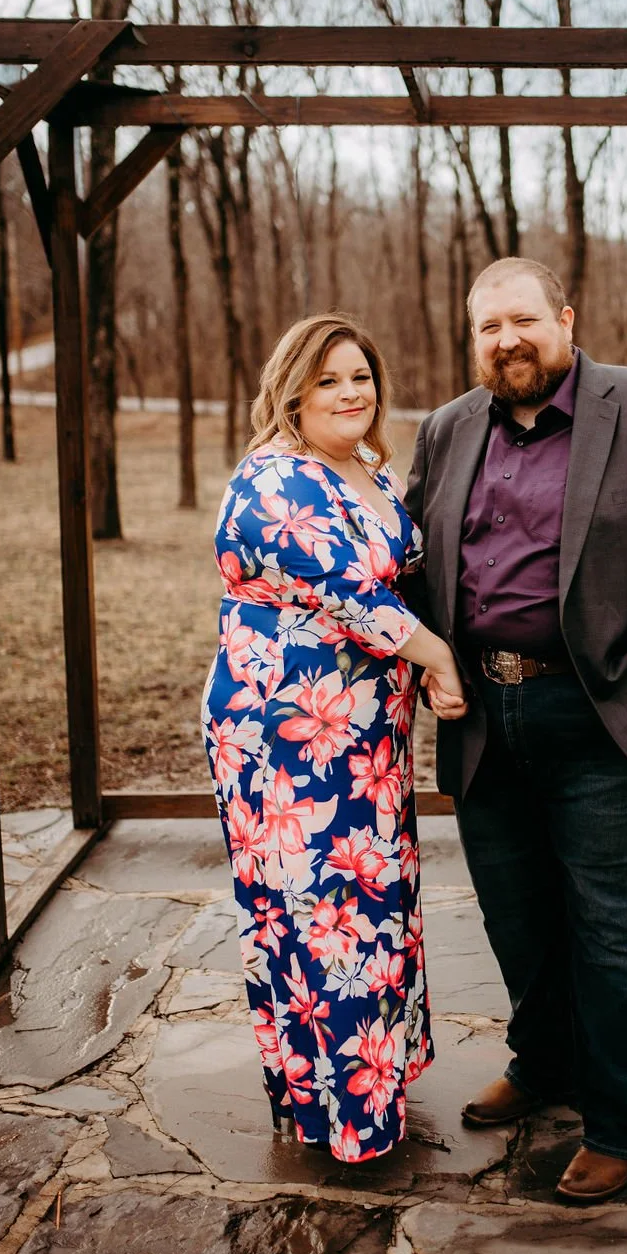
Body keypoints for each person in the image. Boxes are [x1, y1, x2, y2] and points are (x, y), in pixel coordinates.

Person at [405, 258, 627, 1202]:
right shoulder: (446, 429)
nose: (507, 340)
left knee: (618, 931)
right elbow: (416, 562)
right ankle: (544, 1062)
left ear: (565, 318)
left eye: (523, 320)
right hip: (486, 717)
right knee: (518, 916)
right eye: (488, 327)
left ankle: (620, 1125)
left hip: (609, 713)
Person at [202, 313, 467, 1164]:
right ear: (293, 392)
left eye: (360, 376)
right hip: (287, 732)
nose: (352, 393)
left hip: (365, 728)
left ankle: (373, 1081)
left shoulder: (368, 467)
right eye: (328, 381)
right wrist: (440, 659)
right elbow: (351, 593)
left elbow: (403, 572)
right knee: (324, 916)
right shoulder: (277, 477)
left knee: (370, 904)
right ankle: (342, 1113)